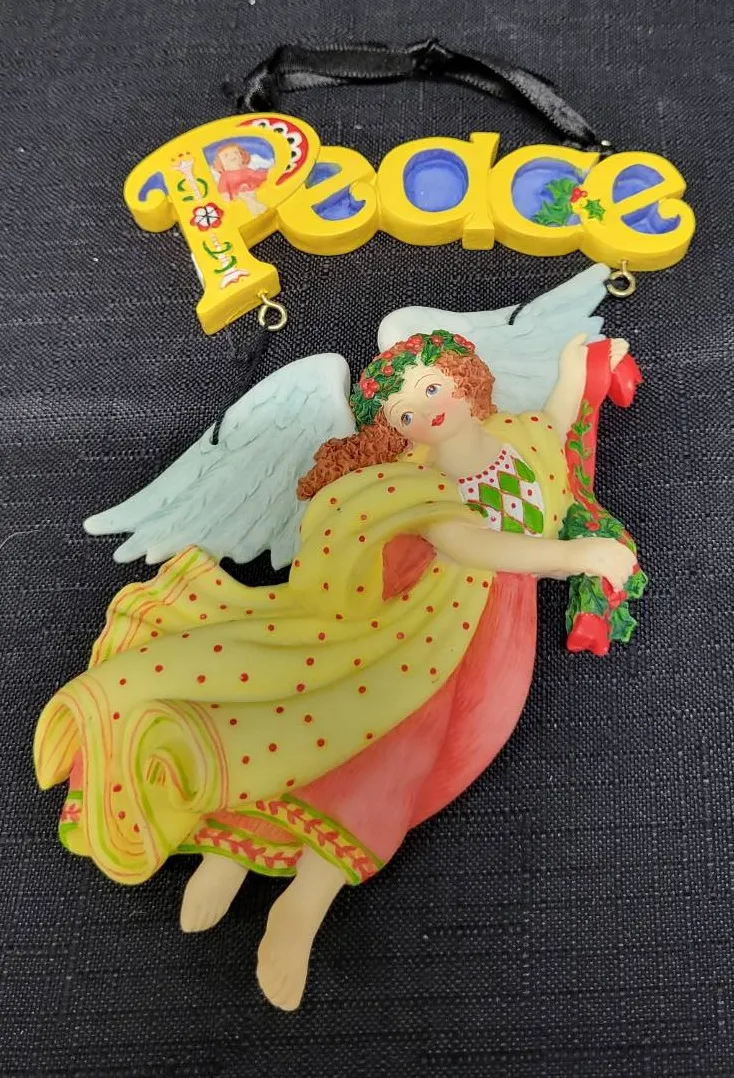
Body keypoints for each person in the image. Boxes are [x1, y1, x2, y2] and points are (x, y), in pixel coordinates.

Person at [34, 329, 635, 1010]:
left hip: (480, 649)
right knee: (304, 720)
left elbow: (557, 426)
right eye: (406, 411)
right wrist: (574, 557)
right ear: (397, 432)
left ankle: (302, 908)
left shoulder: (517, 438)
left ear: (465, 378)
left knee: (394, 763)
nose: (427, 409)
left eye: (432, 387)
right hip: (407, 631)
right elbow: (470, 545)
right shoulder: (418, 479)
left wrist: (573, 367)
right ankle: (224, 854)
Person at [211, 142, 269, 215]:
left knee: (247, 193)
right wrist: (226, 200)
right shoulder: (225, 176)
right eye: (226, 155)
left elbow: (257, 176)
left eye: (236, 152)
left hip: (251, 190)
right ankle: (257, 208)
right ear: (220, 163)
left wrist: (268, 173)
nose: (232, 155)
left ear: (242, 156)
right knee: (243, 195)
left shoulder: (246, 170)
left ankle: (256, 208)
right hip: (237, 197)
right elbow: (223, 189)